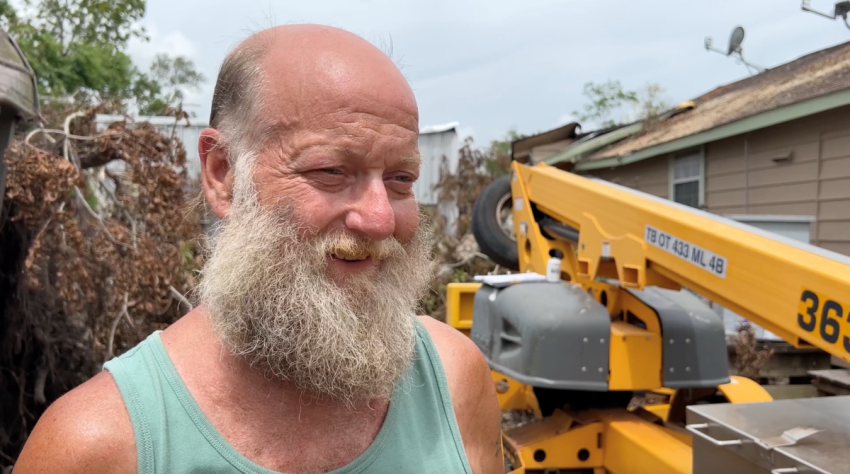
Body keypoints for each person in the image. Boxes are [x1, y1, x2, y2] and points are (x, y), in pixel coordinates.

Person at [14, 24, 502, 474]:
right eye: (330, 171)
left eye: (401, 178)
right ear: (223, 175)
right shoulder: (99, 446)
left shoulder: (455, 382)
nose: (380, 219)